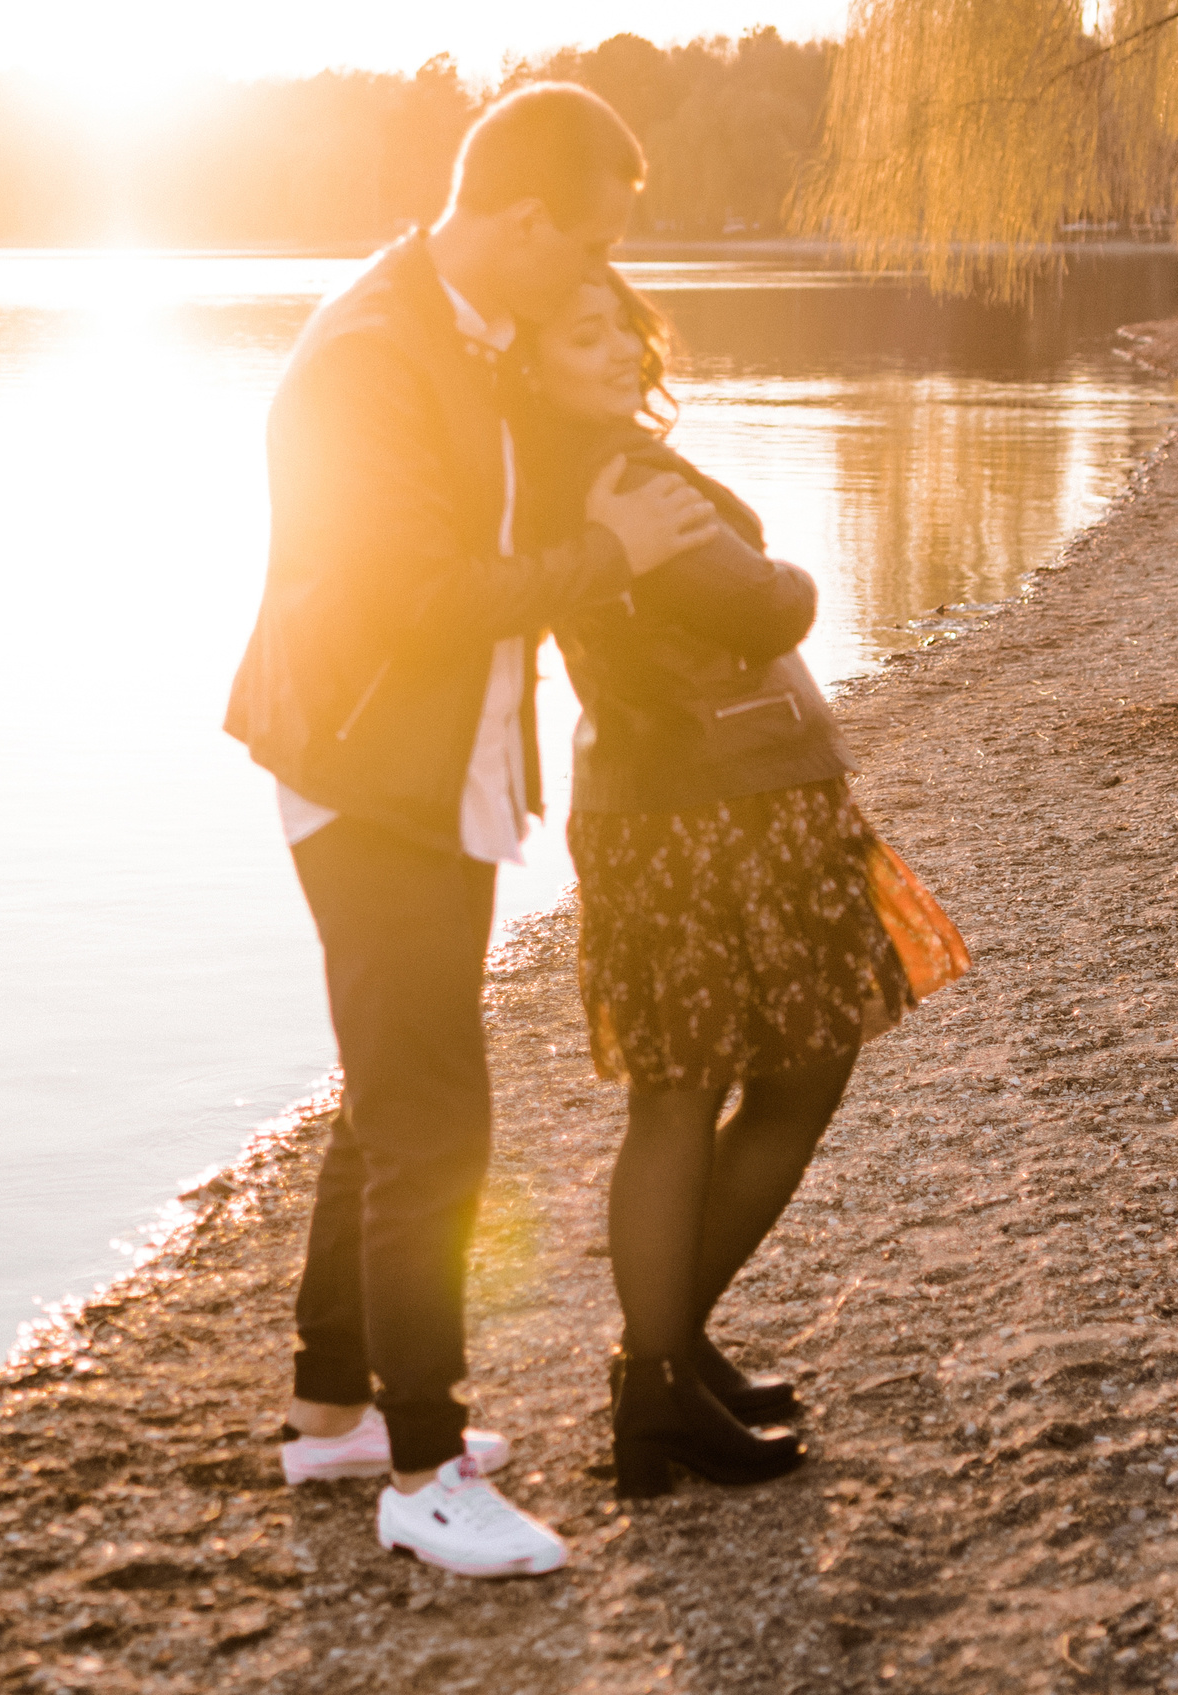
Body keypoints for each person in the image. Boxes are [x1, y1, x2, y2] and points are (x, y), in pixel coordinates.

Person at [224, 87, 725, 1576]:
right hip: (364, 764)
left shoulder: (460, 327)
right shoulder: (377, 352)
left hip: (424, 759)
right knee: (438, 1114)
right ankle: (427, 1471)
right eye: (585, 241)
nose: (593, 270)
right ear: (516, 219)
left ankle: (334, 1413)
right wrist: (607, 554)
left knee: (394, 1091)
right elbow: (415, 594)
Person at [518, 270, 920, 1499]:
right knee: (715, 1087)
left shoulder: (578, 465)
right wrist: (791, 575)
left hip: (705, 802)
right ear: (526, 359)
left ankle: (667, 1357)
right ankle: (652, 1383)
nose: (610, 351)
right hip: (712, 813)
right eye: (574, 334)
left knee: (714, 1083)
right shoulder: (613, 476)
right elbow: (763, 610)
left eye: (615, 329)